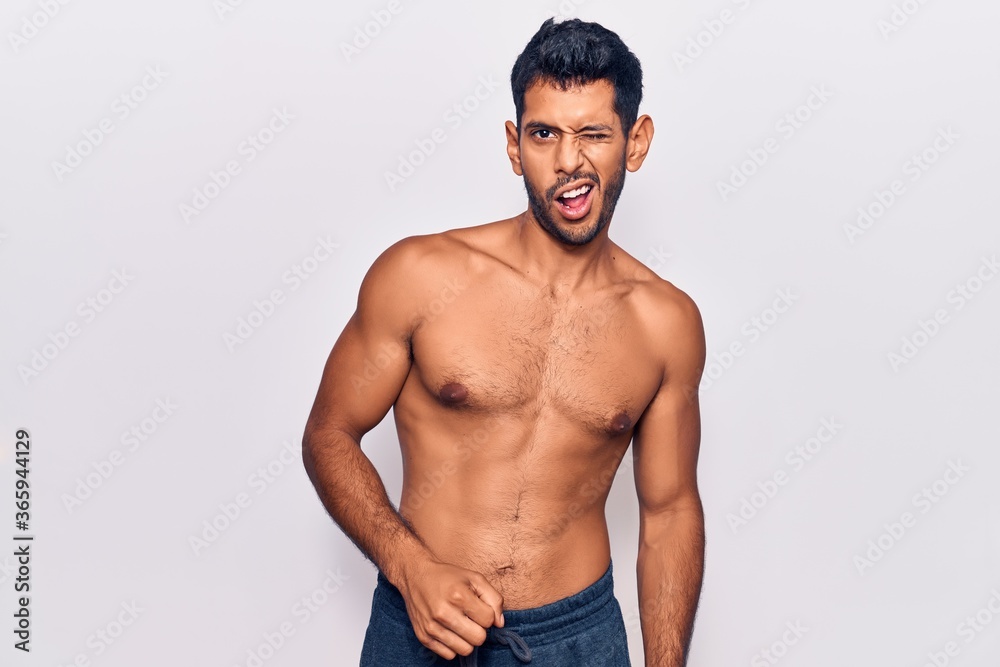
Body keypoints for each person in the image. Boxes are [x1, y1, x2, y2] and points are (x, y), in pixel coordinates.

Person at [302, 16, 705, 667]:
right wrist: (410, 567)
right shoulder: (419, 275)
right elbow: (328, 433)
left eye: (593, 134)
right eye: (545, 133)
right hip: (420, 624)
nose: (569, 160)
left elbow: (669, 511)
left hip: (578, 639)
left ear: (636, 141)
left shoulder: (666, 323)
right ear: (515, 146)